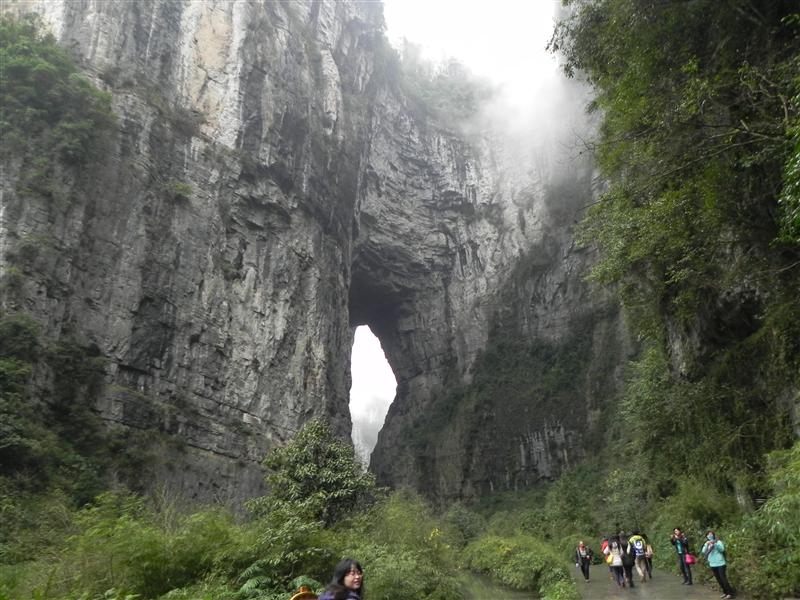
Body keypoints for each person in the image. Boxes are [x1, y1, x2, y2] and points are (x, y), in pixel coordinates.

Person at [700, 530, 735, 599]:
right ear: (706, 536)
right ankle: (725, 592)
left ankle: (730, 593)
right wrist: (707, 544)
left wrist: (715, 544)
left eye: (711, 534)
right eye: (708, 535)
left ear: (713, 535)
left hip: (720, 563)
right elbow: (703, 551)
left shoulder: (718, 542)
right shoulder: (706, 543)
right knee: (718, 579)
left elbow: (722, 549)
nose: (710, 536)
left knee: (723, 578)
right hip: (712, 564)